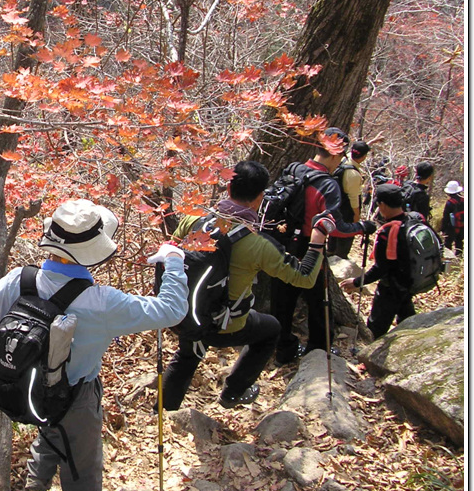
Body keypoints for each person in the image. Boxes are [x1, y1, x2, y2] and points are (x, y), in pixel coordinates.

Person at [0, 199, 188, 491]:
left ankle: (36, 481)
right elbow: (172, 310)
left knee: (47, 418)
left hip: (26, 389)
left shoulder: (22, 279)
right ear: (93, 252)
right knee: (82, 467)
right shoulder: (103, 302)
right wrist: (175, 261)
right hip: (76, 395)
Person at [161, 160, 332, 411]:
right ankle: (233, 393)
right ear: (260, 198)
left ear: (228, 188)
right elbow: (304, 278)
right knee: (270, 329)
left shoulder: (194, 219)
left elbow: (170, 254)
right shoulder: (258, 244)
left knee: (187, 355)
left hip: (184, 313)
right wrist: (317, 241)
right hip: (226, 325)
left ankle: (164, 413)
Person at [271, 128, 377, 365]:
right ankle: (318, 347)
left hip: (281, 243)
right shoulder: (328, 185)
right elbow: (334, 226)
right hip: (311, 249)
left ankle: (283, 349)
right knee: (318, 298)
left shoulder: (293, 169)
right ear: (337, 154)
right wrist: (363, 227)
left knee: (282, 300)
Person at [340, 184, 416, 338]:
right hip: (410, 282)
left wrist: (356, 282)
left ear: (382, 205)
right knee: (408, 321)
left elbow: (381, 268)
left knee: (376, 327)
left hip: (390, 287)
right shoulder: (415, 220)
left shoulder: (388, 232)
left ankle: (370, 357)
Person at [328, 139, 374, 258]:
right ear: (363, 157)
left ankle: (330, 252)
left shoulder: (343, 160)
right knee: (346, 235)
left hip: (336, 205)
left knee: (335, 231)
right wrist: (357, 216)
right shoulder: (353, 175)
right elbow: (354, 199)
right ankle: (341, 257)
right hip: (347, 209)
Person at [441, 180, 464, 255]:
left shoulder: (450, 203)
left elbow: (446, 218)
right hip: (462, 226)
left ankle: (449, 259)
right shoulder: (463, 200)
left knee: (448, 244)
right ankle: (459, 256)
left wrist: (443, 229)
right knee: (459, 242)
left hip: (451, 227)